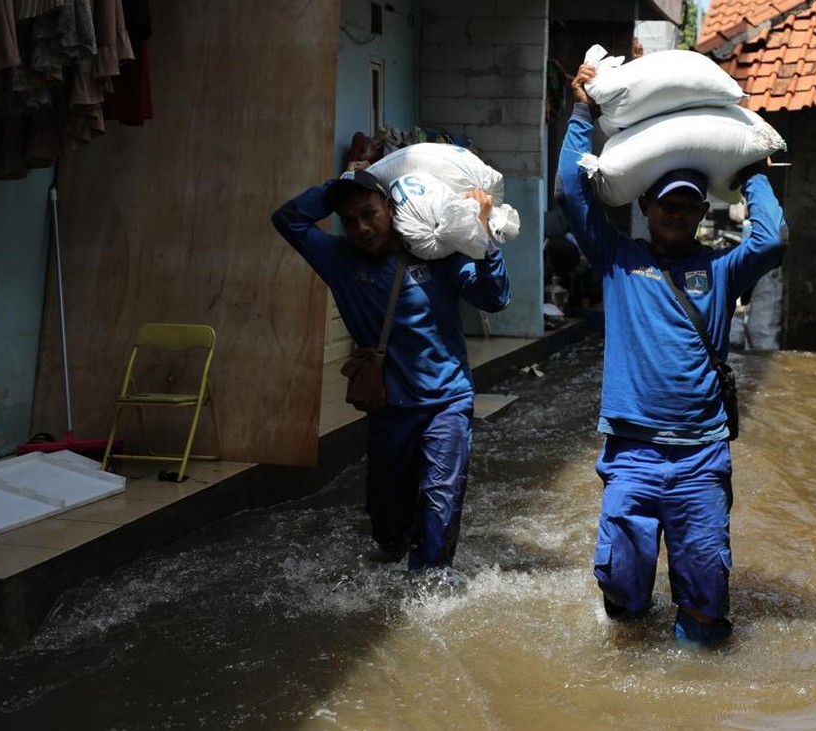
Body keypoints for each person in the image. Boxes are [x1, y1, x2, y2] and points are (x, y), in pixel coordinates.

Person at [557, 63, 787, 644]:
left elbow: (772, 239)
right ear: (647, 205)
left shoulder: (722, 268)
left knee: (707, 601)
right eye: (667, 203)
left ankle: (698, 667)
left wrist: (754, 171)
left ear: (700, 210)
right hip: (631, 452)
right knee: (626, 597)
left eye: (688, 204)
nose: (678, 213)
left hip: (701, 458)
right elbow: (571, 190)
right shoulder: (617, 259)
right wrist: (582, 112)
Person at [271, 165, 511, 575]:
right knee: (387, 523)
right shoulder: (339, 260)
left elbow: (494, 298)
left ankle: (429, 587)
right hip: (390, 409)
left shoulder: (434, 249)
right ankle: (399, 559)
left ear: (390, 206)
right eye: (349, 221)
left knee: (440, 502)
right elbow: (287, 218)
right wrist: (339, 184)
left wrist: (487, 240)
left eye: (369, 213)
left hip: (446, 403)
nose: (361, 227)